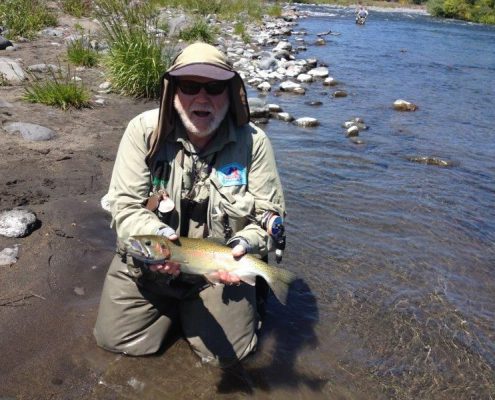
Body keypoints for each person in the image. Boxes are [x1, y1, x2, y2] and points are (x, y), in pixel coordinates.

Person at [93, 42, 286, 367]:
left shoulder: (253, 143)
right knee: (116, 342)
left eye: (214, 87)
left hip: (221, 270)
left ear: (230, 94)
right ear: (173, 92)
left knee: (229, 357)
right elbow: (124, 207)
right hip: (149, 266)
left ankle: (244, 298)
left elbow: (271, 218)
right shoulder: (143, 133)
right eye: (190, 86)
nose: (202, 97)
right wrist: (157, 238)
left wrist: (244, 244)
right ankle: (173, 310)